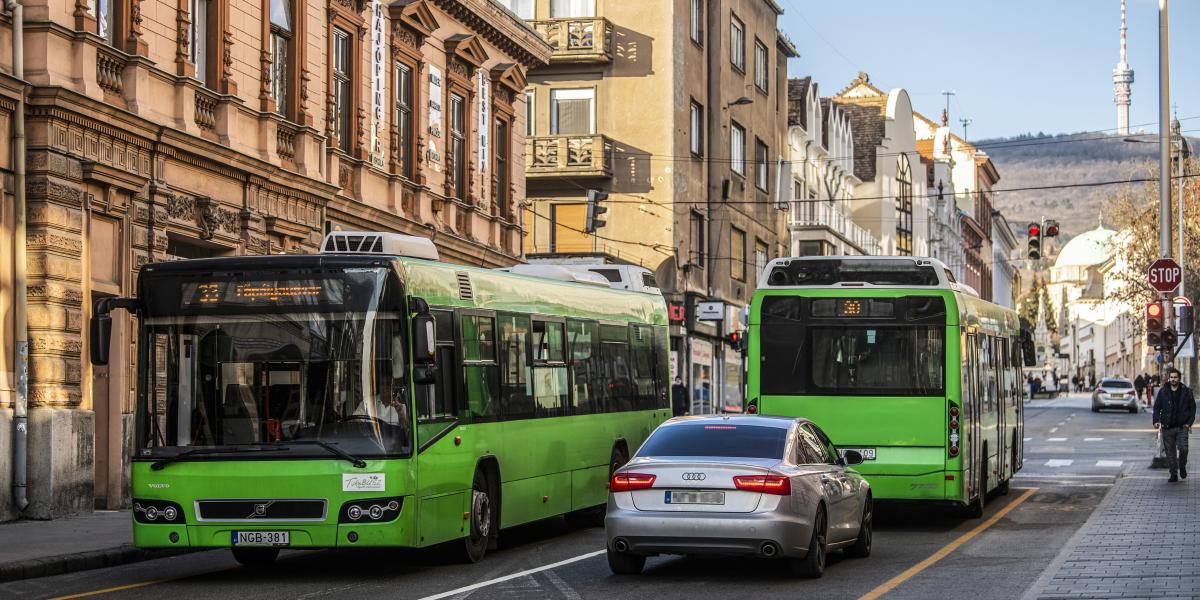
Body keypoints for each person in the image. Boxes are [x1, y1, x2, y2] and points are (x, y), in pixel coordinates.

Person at [1152, 368, 1196, 482]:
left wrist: (1189, 423)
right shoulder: (1163, 392)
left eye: (1175, 377)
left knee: (1183, 449)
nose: (1173, 379)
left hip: (1182, 427)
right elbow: (1157, 407)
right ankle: (1173, 474)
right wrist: (1156, 420)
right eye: (1171, 377)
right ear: (1169, 378)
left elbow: (1192, 409)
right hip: (1167, 427)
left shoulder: (1187, 391)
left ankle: (1182, 466)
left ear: (1179, 378)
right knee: (1170, 453)